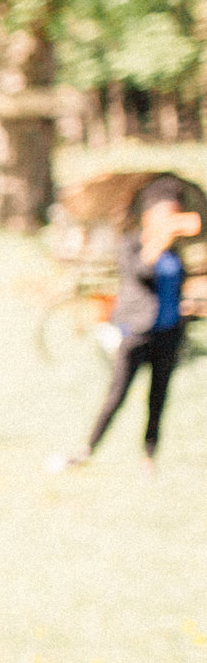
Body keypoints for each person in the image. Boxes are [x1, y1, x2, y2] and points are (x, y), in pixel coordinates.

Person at [54, 177, 201, 471]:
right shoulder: (132, 244)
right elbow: (142, 272)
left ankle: (150, 457)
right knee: (117, 395)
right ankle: (87, 450)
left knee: (158, 397)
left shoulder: (174, 252)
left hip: (168, 333)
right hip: (137, 333)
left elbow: (175, 288)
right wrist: (161, 238)